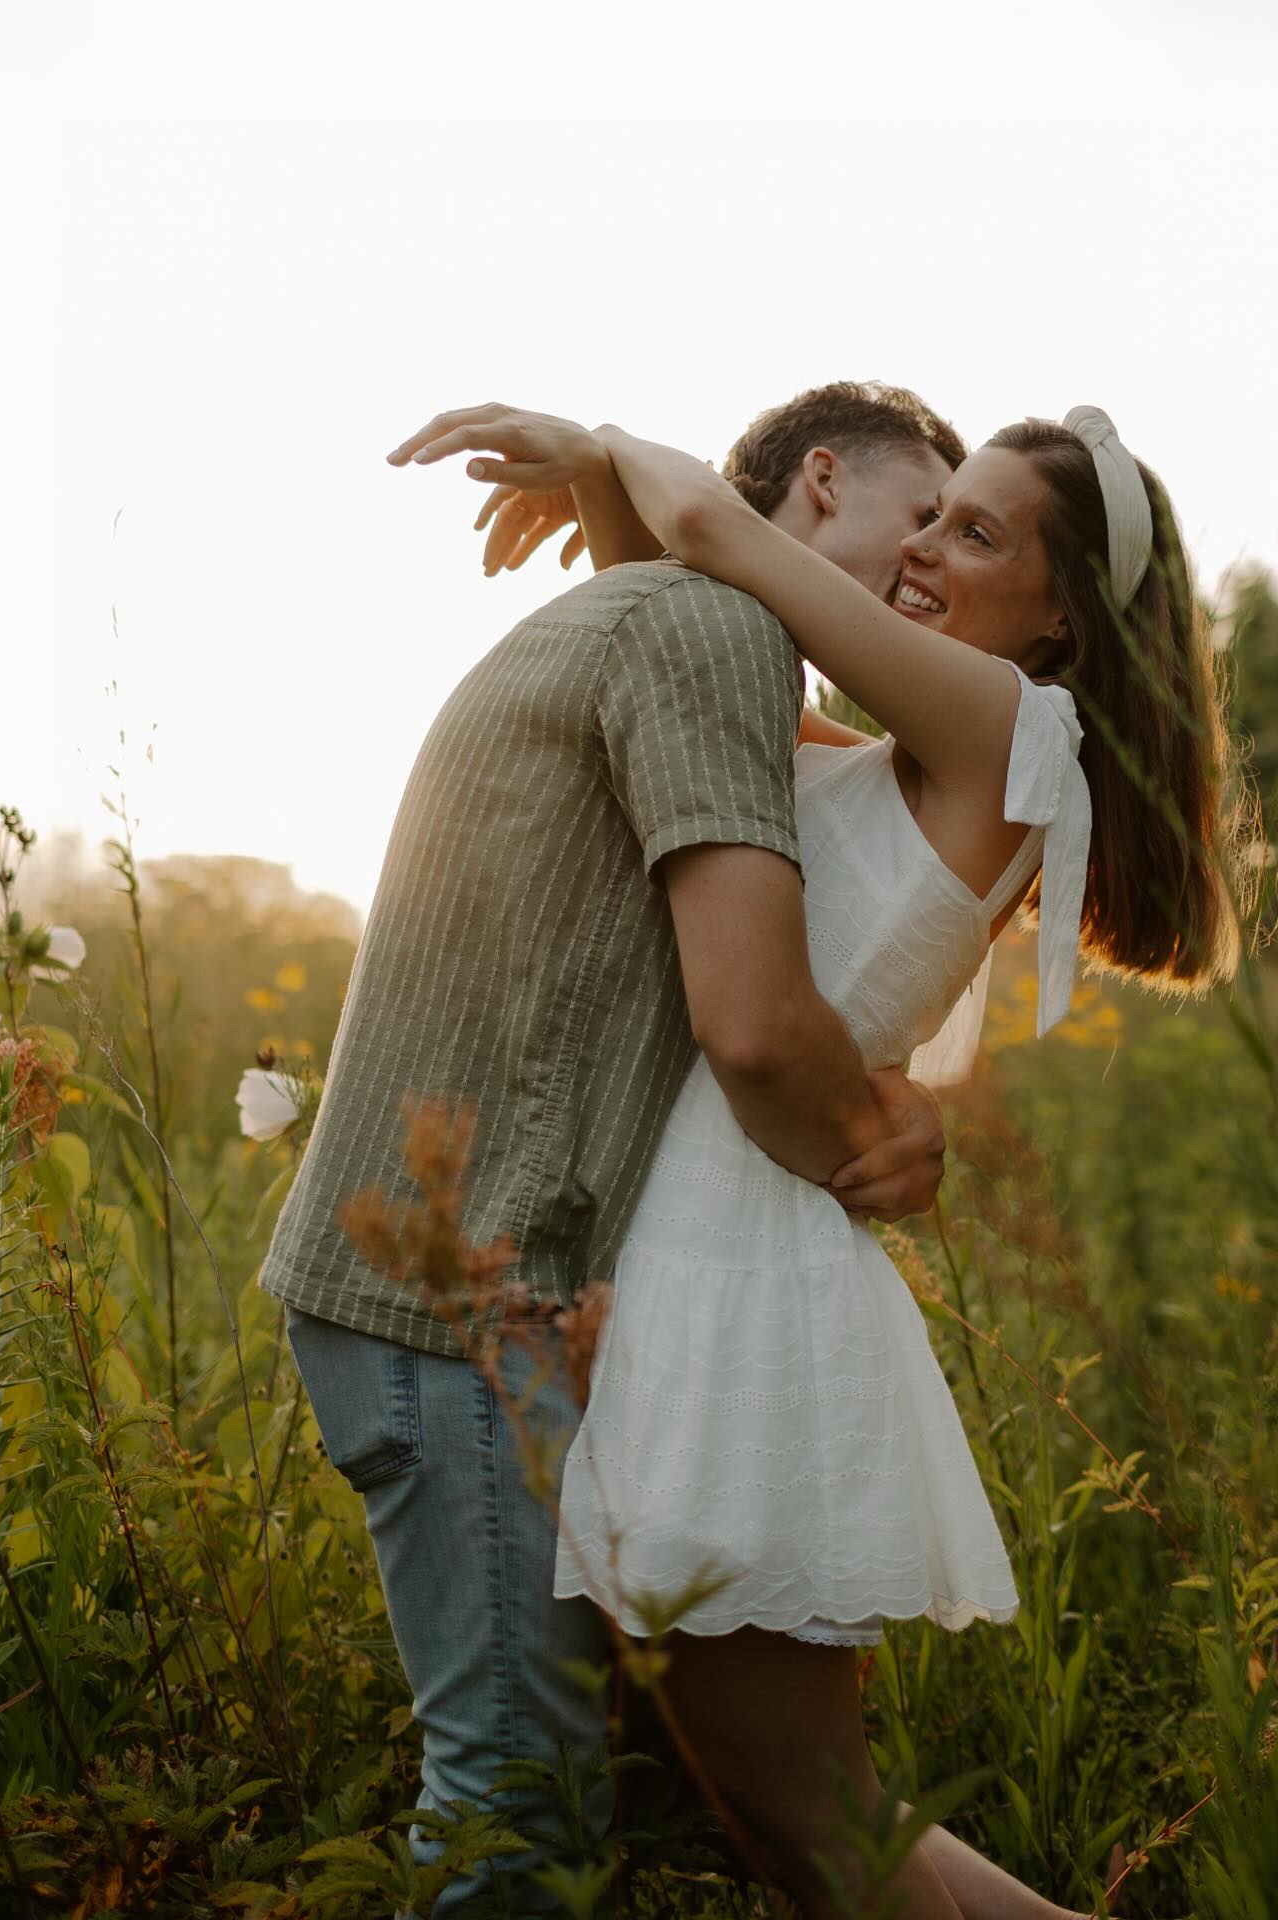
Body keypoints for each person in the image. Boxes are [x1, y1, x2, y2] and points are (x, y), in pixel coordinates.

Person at [398, 398, 1251, 1919]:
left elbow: (720, 532)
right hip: (694, 1259)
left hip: (735, 1282)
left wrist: (594, 431)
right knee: (785, 1834)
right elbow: (690, 633)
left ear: (1066, 620)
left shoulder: (1013, 732)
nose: (923, 549)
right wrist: (605, 489)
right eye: (932, 515)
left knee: (820, 1825)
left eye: (975, 532)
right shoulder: (910, 748)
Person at [260, 383, 966, 1913]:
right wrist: (883, 1148)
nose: (930, 568)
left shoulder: (697, 633)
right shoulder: (709, 633)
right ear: (822, 480)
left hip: (490, 1303)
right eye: (923, 519)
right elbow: (760, 1027)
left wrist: (603, 477)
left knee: (658, 1798)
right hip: (460, 1314)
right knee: (518, 1816)